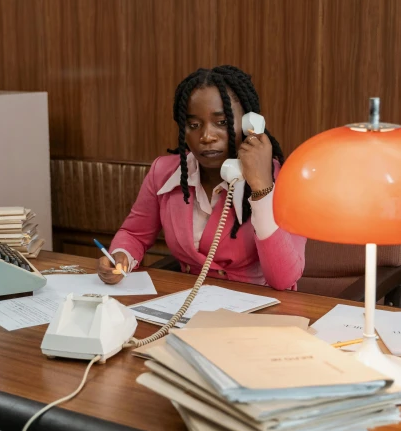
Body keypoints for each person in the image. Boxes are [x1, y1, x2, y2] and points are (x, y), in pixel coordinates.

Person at [97, 66, 305, 290]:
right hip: (187, 303)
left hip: (257, 311)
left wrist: (261, 188)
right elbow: (134, 233)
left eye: (222, 122)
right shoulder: (165, 172)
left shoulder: (283, 181)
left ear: (249, 124)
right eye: (194, 125)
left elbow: (283, 279)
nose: (206, 136)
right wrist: (121, 256)